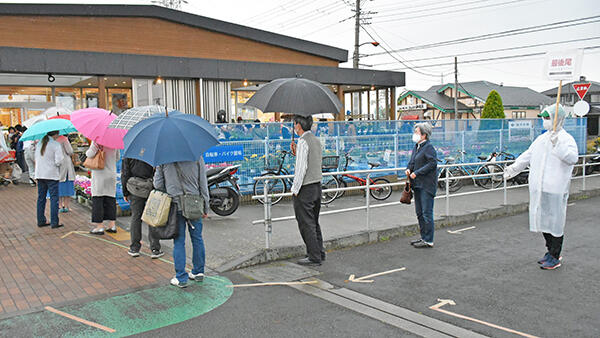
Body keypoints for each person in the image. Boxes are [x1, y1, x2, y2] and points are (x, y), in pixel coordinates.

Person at [504, 105, 577, 270]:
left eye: (547, 118)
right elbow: (527, 156)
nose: (545, 121)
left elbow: (572, 158)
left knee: (556, 222)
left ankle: (555, 255)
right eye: (543, 118)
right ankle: (550, 251)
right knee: (543, 221)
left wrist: (558, 145)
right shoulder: (541, 139)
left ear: (557, 119)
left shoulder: (566, 140)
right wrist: (513, 169)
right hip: (539, 188)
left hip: (556, 189)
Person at [154, 158, 210, 288]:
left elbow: (158, 185)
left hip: (175, 205)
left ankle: (181, 277)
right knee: (197, 238)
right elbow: (203, 183)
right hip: (194, 204)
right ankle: (198, 272)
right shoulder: (196, 156)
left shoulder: (164, 159)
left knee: (179, 241)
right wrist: (205, 206)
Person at [290, 115, 324, 266]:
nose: (294, 127)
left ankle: (313, 256)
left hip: (305, 188)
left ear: (299, 125)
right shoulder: (315, 140)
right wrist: (296, 152)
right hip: (317, 185)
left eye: (294, 124)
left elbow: (301, 168)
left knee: (306, 223)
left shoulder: (303, 141)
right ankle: (319, 252)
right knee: (314, 222)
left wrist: (295, 189)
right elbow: (311, 161)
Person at [122, 157, 163, 259]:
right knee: (151, 217)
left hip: (135, 189)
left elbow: (125, 174)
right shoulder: (154, 153)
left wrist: (125, 192)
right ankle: (155, 249)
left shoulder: (130, 153)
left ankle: (134, 248)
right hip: (150, 188)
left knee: (136, 217)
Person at [406, 122, 438, 248]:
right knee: (419, 213)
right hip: (417, 185)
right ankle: (423, 237)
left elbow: (432, 164)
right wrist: (409, 169)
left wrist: (416, 173)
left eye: (417, 132)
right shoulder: (417, 147)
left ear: (424, 135)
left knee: (426, 213)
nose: (415, 134)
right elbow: (412, 162)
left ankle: (429, 239)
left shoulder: (429, 147)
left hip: (426, 185)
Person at [86, 141, 119, 235]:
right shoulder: (114, 142)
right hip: (111, 173)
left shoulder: (97, 141)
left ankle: (100, 226)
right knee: (111, 199)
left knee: (98, 199)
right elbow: (117, 158)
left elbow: (89, 154)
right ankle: (112, 225)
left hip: (100, 173)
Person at [35, 131, 64, 229]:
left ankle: (41, 220)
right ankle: (54, 222)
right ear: (55, 134)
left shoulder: (40, 143)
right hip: (51, 175)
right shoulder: (56, 145)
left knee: (41, 198)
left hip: (40, 174)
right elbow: (58, 161)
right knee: (54, 198)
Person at [56, 135, 75, 213]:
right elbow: (70, 151)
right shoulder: (64, 139)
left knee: (59, 185)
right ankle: (66, 206)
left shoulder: (51, 140)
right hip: (65, 164)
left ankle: (59, 205)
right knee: (67, 185)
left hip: (56, 164)